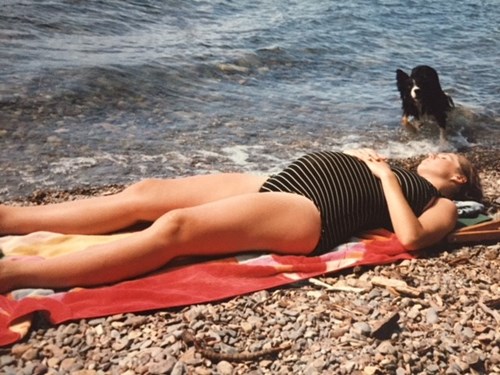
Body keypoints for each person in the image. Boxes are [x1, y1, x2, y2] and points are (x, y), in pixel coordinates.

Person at [0, 149, 482, 293]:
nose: (436, 151)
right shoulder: (397, 166)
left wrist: (383, 176)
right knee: (144, 195)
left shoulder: (438, 203)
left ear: (459, 178)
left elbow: (412, 238)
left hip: (310, 212)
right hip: (280, 180)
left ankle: (19, 274)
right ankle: (11, 217)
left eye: (447, 154)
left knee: (175, 229)